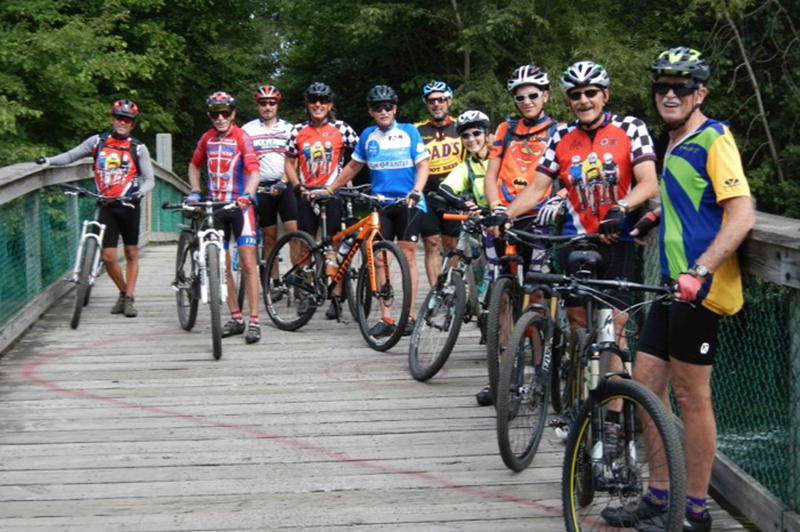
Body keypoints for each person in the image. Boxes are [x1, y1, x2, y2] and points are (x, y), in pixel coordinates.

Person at [601, 47, 756, 532]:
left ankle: (694, 510)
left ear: (700, 93)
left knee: (692, 397)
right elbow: (688, 203)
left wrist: (703, 268)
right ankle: (658, 495)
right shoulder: (674, 140)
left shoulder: (714, 138)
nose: (670, 94)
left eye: (681, 87)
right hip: (670, 284)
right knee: (647, 385)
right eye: (662, 86)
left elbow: (741, 213)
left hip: (700, 289)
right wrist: (651, 218)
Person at [476, 64, 561, 406]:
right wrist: (496, 206)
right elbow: (491, 173)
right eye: (519, 96)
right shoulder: (505, 129)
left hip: (538, 220)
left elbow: (562, 174)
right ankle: (502, 377)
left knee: (535, 299)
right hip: (504, 217)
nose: (526, 101)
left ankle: (540, 373)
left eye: (532, 95)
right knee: (502, 300)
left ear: (545, 96)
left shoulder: (558, 130)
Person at [321, 85, 430, 337]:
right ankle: (387, 317)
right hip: (380, 204)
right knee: (380, 259)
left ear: (395, 108)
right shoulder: (368, 135)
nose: (384, 111)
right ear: (371, 111)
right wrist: (330, 189)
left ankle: (410, 316)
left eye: (388, 106)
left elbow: (423, 165)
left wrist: (416, 190)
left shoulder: (409, 132)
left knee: (408, 256)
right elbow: (352, 166)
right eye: (378, 107)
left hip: (409, 203)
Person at [36, 99, 154, 318]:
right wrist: (49, 162)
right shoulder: (97, 142)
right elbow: (72, 156)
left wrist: (139, 193)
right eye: (119, 117)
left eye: (127, 119)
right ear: (112, 118)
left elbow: (150, 179)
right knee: (108, 256)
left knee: (130, 252)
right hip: (106, 203)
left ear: (133, 124)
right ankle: (122, 291)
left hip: (128, 205)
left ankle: (129, 299)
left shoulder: (138, 148)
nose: (122, 122)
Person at [188, 91, 262, 344]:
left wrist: (248, 194)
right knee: (222, 263)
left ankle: (254, 320)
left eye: (225, 113)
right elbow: (194, 165)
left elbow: (254, 171)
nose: (220, 118)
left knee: (248, 264)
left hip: (240, 207)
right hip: (215, 207)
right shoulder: (207, 139)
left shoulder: (242, 137)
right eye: (214, 113)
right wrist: (195, 191)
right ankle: (235, 317)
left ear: (233, 114)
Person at [284, 82, 359, 319]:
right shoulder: (297, 131)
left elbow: (359, 158)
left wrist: (347, 181)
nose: (318, 104)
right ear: (307, 104)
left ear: (330, 105)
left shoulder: (342, 129)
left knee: (336, 245)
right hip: (307, 194)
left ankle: (336, 297)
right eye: (314, 100)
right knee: (306, 245)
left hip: (333, 193)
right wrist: (296, 185)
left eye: (323, 100)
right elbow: (288, 161)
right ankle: (306, 294)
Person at [242, 85, 298, 301]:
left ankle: (298, 278)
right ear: (257, 105)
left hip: (284, 185)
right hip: (261, 187)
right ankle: (276, 283)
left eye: (271, 103)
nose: (267, 107)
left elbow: (295, 159)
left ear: (277, 105)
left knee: (294, 233)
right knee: (269, 237)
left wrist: (285, 182)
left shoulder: (289, 129)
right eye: (263, 103)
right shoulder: (248, 130)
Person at [415, 81, 464, 286]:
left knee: (451, 244)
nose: (437, 104)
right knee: (431, 243)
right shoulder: (417, 130)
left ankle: (452, 289)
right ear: (426, 104)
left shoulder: (461, 127)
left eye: (441, 99)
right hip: (428, 195)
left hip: (454, 196)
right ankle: (436, 291)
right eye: (432, 100)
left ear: (449, 101)